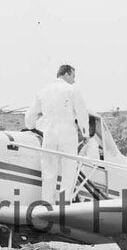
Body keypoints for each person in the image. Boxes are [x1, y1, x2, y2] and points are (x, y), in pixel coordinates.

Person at [25, 65, 90, 204]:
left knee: (48, 172)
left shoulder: (43, 91)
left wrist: (30, 126)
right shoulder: (72, 90)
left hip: (48, 134)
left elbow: (31, 114)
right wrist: (85, 134)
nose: (74, 80)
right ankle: (63, 204)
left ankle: (47, 204)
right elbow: (82, 113)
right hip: (67, 134)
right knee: (68, 172)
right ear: (66, 74)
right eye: (73, 76)